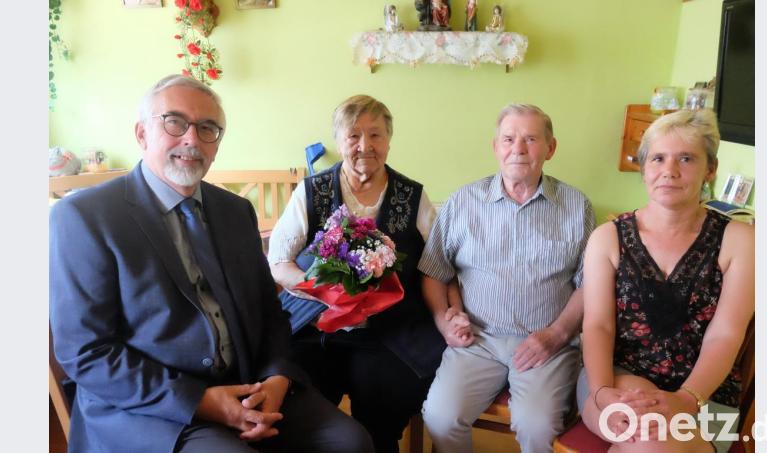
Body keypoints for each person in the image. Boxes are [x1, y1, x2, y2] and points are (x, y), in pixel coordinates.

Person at [49, 74, 373, 453]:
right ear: (141, 134)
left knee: (351, 442)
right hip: (150, 408)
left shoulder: (235, 211)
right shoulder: (84, 217)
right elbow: (86, 353)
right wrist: (201, 401)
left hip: (248, 384)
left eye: (208, 129)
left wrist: (277, 379)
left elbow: (270, 314)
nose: (191, 139)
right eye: (174, 122)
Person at [268, 94, 446, 453]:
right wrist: (318, 290)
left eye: (376, 135)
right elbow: (278, 262)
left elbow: (437, 264)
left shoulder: (413, 196)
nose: (365, 145)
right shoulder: (312, 191)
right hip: (318, 328)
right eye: (353, 135)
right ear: (338, 141)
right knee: (298, 409)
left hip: (390, 333)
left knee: (381, 415)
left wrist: (446, 312)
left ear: (389, 141)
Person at [418, 103, 595, 453]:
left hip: (547, 345)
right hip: (477, 342)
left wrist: (558, 334)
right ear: (495, 147)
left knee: (538, 427)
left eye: (531, 139)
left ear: (551, 148)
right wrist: (444, 322)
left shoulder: (577, 206)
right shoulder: (463, 202)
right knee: (440, 417)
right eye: (509, 139)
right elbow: (434, 271)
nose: (518, 149)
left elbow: (591, 283)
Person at [578, 109, 754, 453]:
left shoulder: (740, 240)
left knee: (651, 443)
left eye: (686, 158)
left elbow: (726, 333)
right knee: (647, 440)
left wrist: (687, 400)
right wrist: (601, 394)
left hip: (708, 395)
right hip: (614, 379)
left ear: (710, 169)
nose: (669, 171)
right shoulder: (607, 238)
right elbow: (597, 325)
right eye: (658, 158)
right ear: (644, 168)